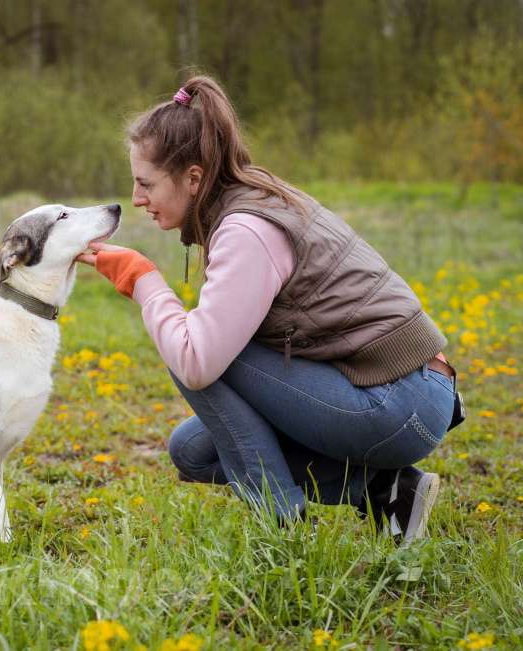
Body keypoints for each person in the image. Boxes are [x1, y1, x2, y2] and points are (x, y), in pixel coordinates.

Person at [75, 76, 461, 543]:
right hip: (396, 390)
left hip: (400, 401)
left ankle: (282, 526)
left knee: (188, 348)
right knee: (195, 451)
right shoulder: (248, 201)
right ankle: (387, 487)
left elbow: (198, 362)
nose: (137, 199)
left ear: (193, 178)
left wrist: (143, 280)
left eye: (145, 184)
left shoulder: (245, 230)